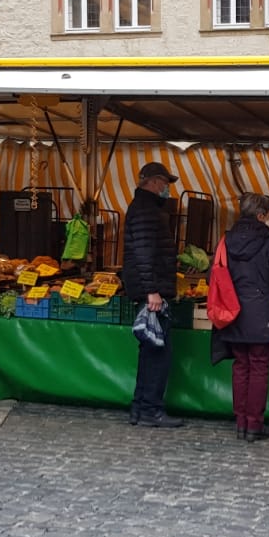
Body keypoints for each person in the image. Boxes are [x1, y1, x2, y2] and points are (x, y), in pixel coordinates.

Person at [214, 192, 269, 442]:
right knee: (259, 367)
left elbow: (214, 275)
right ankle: (254, 425)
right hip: (262, 313)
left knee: (241, 366)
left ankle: (240, 423)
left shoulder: (226, 240)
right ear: (261, 216)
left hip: (233, 311)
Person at [123, 161, 182, 428]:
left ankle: (139, 407)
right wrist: (152, 291)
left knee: (149, 349)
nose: (166, 189)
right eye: (165, 183)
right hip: (151, 291)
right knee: (159, 351)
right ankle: (151, 409)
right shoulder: (147, 211)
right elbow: (145, 253)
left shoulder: (142, 208)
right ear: (153, 182)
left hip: (148, 287)